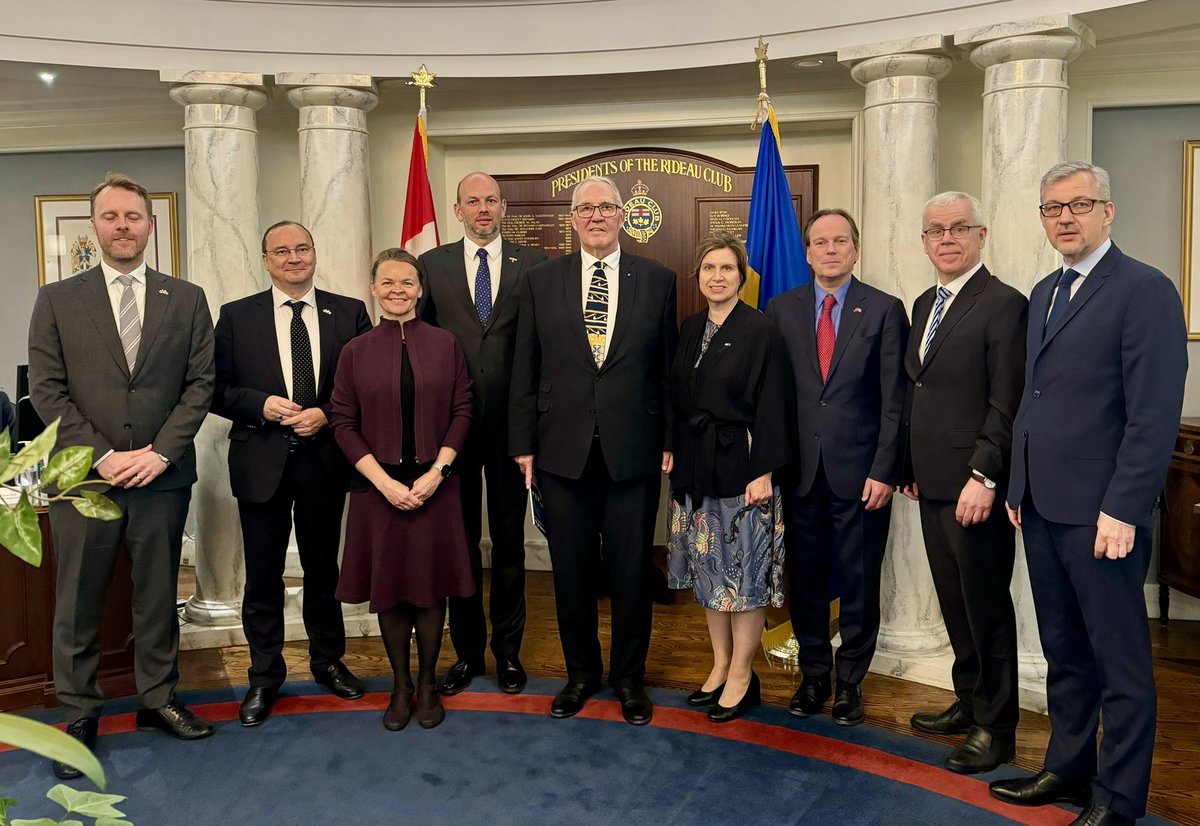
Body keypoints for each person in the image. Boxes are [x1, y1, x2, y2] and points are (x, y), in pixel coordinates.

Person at [989, 162, 1187, 826]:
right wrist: (1016, 482)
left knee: (1120, 666)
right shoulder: (1046, 290)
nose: (1064, 218)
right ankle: (1068, 770)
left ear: (1108, 210)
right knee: (1064, 651)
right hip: (1042, 506)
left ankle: (1119, 801)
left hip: (1104, 515)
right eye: (1052, 208)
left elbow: (1153, 415)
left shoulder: (1145, 290)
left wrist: (1124, 508)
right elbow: (1033, 399)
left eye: (1078, 204)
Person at [27, 172, 216, 777]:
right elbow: (46, 392)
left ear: (150, 225)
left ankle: (158, 698)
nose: (123, 226)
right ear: (95, 225)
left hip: (162, 476)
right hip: (85, 479)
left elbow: (199, 386)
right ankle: (80, 712)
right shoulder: (57, 299)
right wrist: (103, 456)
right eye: (111, 217)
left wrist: (159, 452)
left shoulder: (184, 298)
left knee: (158, 595)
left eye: (133, 216)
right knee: (78, 599)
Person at [510, 175, 677, 726]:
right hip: (561, 453)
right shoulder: (541, 280)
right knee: (571, 571)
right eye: (587, 208)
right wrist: (523, 447)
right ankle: (580, 674)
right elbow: (525, 368)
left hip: (634, 451)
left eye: (607, 207)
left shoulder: (657, 279)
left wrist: (670, 440)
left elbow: (667, 371)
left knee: (631, 572)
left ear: (623, 215)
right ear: (573, 218)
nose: (597, 216)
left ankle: (629, 679)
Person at [212, 220, 373, 727]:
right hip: (262, 460)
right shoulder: (237, 317)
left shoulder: (349, 313)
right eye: (281, 251)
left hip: (325, 460)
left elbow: (369, 384)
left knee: (324, 570)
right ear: (266, 260)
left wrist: (326, 411)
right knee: (262, 576)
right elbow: (214, 388)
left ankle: (328, 662)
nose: (293, 257)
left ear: (315, 254)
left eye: (302, 248)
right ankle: (264, 677)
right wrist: (262, 404)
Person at [900, 192, 1028, 773]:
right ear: (924, 241)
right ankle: (969, 699)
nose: (947, 239)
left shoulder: (1005, 304)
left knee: (986, 605)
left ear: (981, 235)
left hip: (976, 485)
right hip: (930, 482)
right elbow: (919, 391)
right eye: (936, 230)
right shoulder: (925, 301)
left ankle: (997, 728)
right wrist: (908, 466)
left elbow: (1007, 400)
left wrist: (985, 473)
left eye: (959, 228)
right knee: (954, 599)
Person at [766, 208, 908, 726]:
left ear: (855, 250)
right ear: (807, 252)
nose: (830, 249)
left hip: (863, 473)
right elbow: (773, 396)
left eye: (840, 241)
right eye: (820, 242)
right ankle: (813, 674)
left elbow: (896, 400)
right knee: (803, 577)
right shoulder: (780, 310)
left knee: (860, 578)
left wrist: (886, 469)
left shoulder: (885, 310)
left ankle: (850, 681)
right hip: (800, 471)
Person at [330, 248, 474, 731]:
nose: (397, 290)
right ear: (373, 289)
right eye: (387, 282)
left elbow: (463, 410)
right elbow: (343, 422)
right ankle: (400, 685)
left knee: (431, 590)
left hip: (437, 486)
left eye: (407, 282)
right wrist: (384, 482)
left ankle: (429, 683)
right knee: (391, 591)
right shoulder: (355, 351)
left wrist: (438, 473)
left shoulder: (446, 343)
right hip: (379, 489)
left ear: (420, 289)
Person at [420, 172, 547, 696]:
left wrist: (532, 434)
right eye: (472, 200)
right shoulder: (431, 265)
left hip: (514, 431)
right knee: (461, 544)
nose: (482, 208)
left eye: (490, 199)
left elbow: (541, 350)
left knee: (512, 545)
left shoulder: (535, 266)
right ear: (458, 210)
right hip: (452, 431)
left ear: (504, 206)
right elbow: (422, 346)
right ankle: (469, 653)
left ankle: (509, 654)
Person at [667, 232, 792, 723]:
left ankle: (743, 673)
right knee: (710, 575)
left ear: (742, 277)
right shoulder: (691, 326)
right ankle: (719, 667)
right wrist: (672, 447)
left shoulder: (760, 330)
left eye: (726, 269)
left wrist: (764, 470)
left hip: (742, 469)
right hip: (696, 466)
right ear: (698, 278)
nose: (716, 277)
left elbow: (774, 404)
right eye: (708, 269)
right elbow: (678, 396)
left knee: (744, 577)